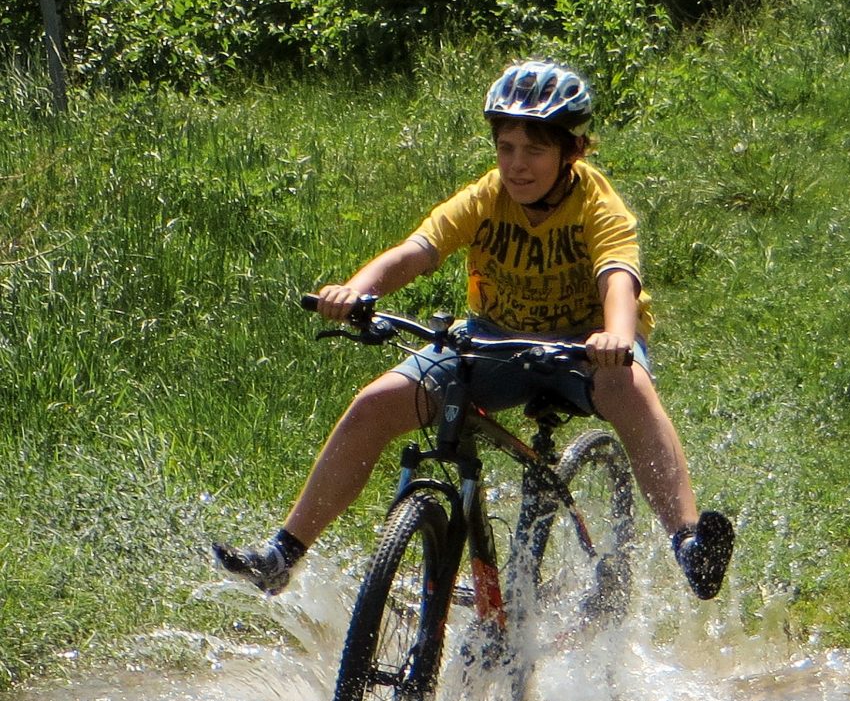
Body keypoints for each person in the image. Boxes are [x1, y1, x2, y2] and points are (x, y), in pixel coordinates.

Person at [214, 59, 734, 600]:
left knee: (627, 387)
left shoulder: (595, 203)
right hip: (495, 339)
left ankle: (689, 544)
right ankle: (282, 554)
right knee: (375, 403)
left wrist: (617, 337)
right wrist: (358, 289)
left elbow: (617, 278)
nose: (517, 165)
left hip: (586, 347)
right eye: (506, 148)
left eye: (534, 150)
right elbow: (418, 250)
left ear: (571, 152)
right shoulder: (488, 196)